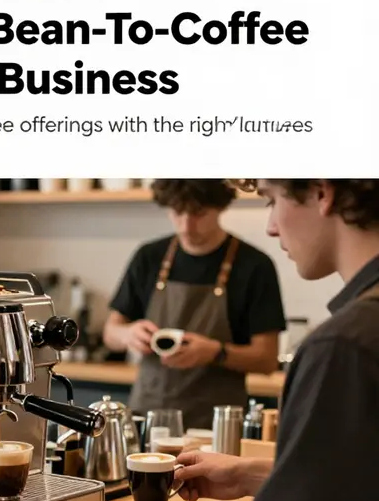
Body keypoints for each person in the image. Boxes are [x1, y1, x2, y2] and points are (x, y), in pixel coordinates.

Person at [168, 180, 379, 501]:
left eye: (270, 198)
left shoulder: (346, 346)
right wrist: (257, 474)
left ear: (323, 193)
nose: (269, 222)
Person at [103, 179, 286, 430]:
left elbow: (266, 359)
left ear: (221, 207)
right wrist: (128, 334)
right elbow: (110, 333)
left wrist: (215, 352)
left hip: (216, 428)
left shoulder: (254, 266)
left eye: (199, 213)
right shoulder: (149, 257)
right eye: (178, 212)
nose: (187, 226)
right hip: (146, 419)